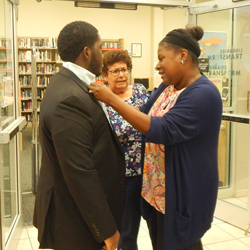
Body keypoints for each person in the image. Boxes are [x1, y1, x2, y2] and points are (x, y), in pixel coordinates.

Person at [89, 26, 222, 250]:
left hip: (180, 198)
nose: (157, 65)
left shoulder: (204, 93)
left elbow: (163, 128)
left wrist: (112, 99)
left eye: (161, 58)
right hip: (156, 194)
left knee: (182, 244)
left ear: (182, 56)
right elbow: (143, 112)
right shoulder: (168, 86)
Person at [33, 21, 125, 250]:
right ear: (87, 51)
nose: (102, 55)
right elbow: (79, 171)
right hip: (74, 221)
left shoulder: (68, 82)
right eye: (100, 47)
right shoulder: (70, 98)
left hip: (76, 213)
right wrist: (106, 230)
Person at [101, 49, 150, 250]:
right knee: (125, 232)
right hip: (122, 177)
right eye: (115, 71)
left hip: (148, 172)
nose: (121, 75)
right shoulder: (101, 99)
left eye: (124, 69)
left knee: (147, 225)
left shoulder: (139, 91)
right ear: (104, 76)